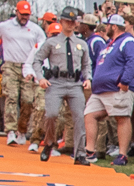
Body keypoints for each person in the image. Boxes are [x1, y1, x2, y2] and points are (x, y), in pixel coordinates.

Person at [26, 19, 91, 163]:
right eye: (67, 21)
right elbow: (37, 60)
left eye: (72, 21)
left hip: (74, 83)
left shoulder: (82, 44)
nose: (70, 24)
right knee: (51, 114)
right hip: (56, 82)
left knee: (79, 117)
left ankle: (80, 153)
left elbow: (86, 64)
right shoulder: (51, 42)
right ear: (62, 22)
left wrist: (88, 78)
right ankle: (49, 142)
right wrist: (40, 78)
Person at [81, 15, 134, 165]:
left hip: (117, 87)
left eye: (107, 25)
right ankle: (89, 151)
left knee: (122, 118)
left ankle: (122, 154)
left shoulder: (128, 41)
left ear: (114, 26)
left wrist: (125, 80)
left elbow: (133, 60)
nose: (105, 28)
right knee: (89, 114)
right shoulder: (110, 43)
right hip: (100, 90)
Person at [0, 1, 46, 145]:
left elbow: (43, 47)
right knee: (11, 96)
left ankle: (22, 129)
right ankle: (10, 130)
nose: (24, 17)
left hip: (28, 67)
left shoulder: (36, 29)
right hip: (10, 65)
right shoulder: (4, 26)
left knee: (27, 100)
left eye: (27, 15)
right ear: (16, 12)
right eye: (22, 14)